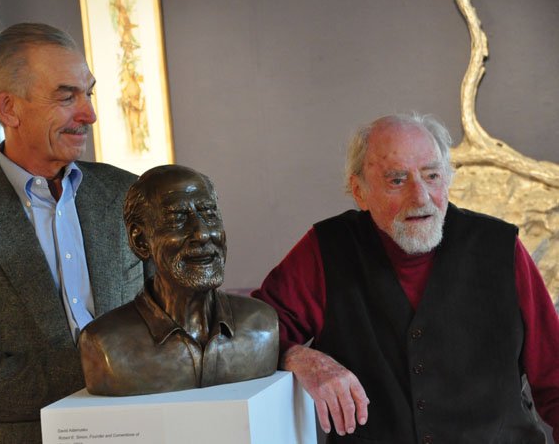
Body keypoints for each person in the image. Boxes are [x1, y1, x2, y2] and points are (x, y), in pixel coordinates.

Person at [252, 113, 559, 443]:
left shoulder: (501, 249)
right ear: (359, 192)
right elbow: (250, 333)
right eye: (397, 181)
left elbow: (554, 381)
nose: (421, 197)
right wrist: (299, 357)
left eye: (431, 176)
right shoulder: (325, 251)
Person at [0, 23, 144, 443]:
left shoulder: (128, 194)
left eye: (89, 93)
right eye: (66, 95)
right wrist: (99, 366)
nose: (89, 113)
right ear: (8, 109)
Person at [79, 165, 279, 396]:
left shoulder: (261, 325)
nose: (203, 234)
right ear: (141, 241)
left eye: (209, 214)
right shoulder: (106, 343)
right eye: (177, 219)